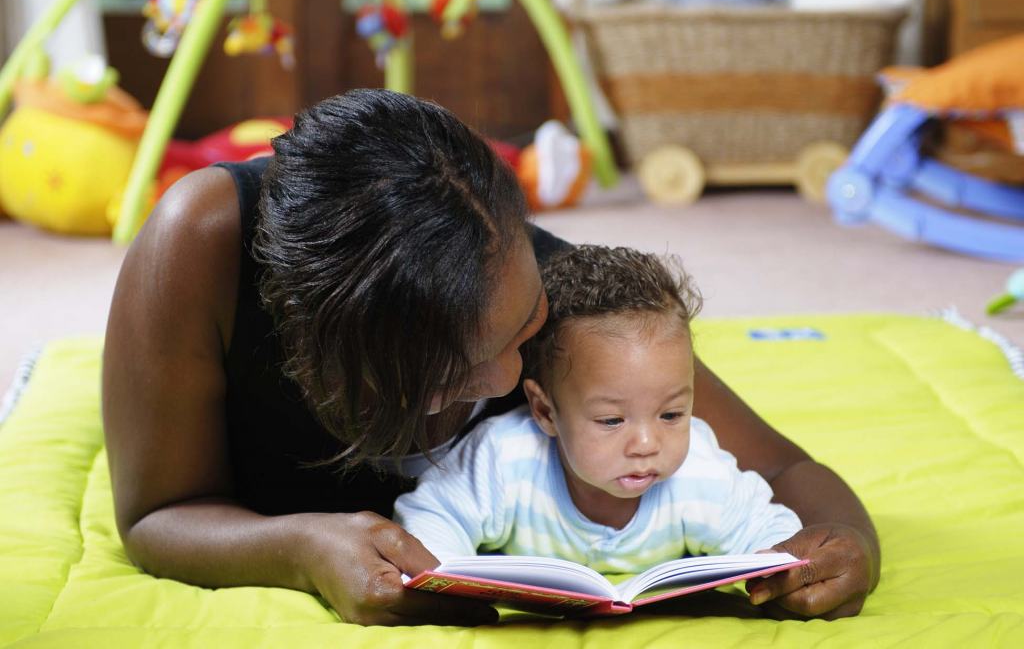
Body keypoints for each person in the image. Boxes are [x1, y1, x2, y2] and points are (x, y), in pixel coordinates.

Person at [102, 88, 879, 627]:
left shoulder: (551, 295)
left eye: (521, 332)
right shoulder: (199, 246)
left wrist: (849, 547)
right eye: (450, 375)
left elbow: (781, 471)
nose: (509, 380)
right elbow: (154, 514)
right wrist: (300, 546)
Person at [395, 245, 803, 577]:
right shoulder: (504, 459)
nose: (646, 443)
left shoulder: (699, 471)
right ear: (545, 411)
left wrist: (777, 571)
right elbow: (432, 517)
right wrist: (449, 580)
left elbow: (770, 529)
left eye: (672, 415)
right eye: (612, 420)